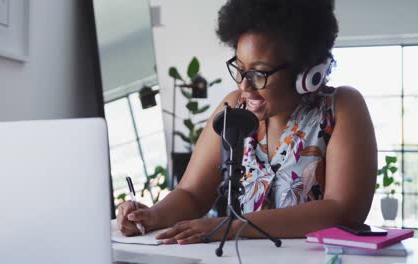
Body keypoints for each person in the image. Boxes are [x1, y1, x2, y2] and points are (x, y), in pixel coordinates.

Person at [117, 0, 377, 245]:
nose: (244, 85)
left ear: (306, 72)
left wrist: (234, 226)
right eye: (240, 69)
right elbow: (192, 194)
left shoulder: (341, 107)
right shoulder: (233, 108)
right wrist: (152, 216)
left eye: (258, 73)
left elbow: (343, 211)